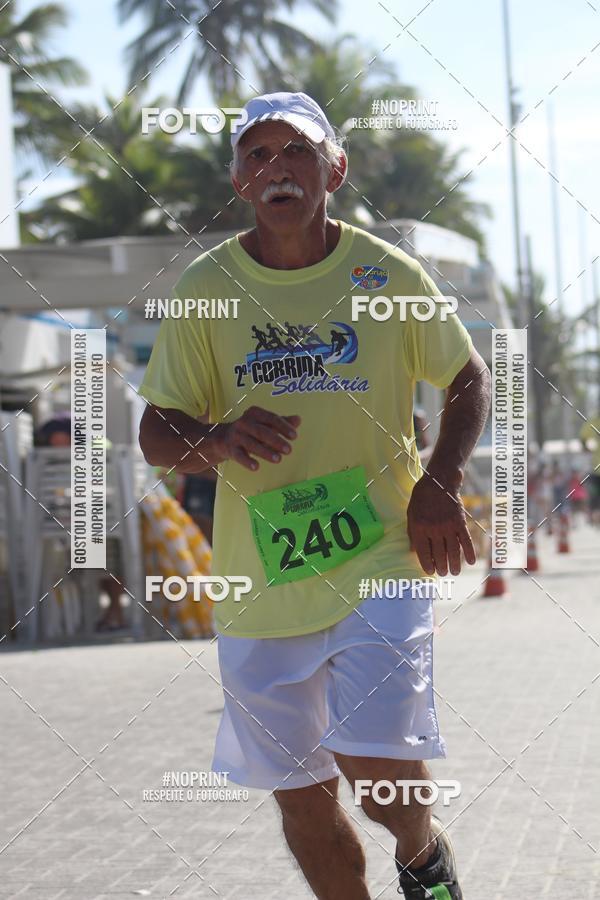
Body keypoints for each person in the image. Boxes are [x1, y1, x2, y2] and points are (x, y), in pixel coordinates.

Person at [138, 91, 491, 900]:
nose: (277, 169)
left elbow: (466, 376)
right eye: (257, 156)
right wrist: (218, 440)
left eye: (295, 151)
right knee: (300, 797)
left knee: (372, 756)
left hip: (377, 555)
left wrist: (440, 479)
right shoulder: (207, 288)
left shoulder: (383, 274)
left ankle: (421, 851)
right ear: (238, 184)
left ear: (335, 167)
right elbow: (156, 429)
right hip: (261, 580)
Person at [37, 414, 126, 631]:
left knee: (108, 566)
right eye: (53, 441)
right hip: (81, 522)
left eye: (60, 439)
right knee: (92, 567)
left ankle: (115, 612)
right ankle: (105, 614)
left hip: (104, 518)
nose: (57, 444)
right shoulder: (63, 455)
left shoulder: (96, 448)